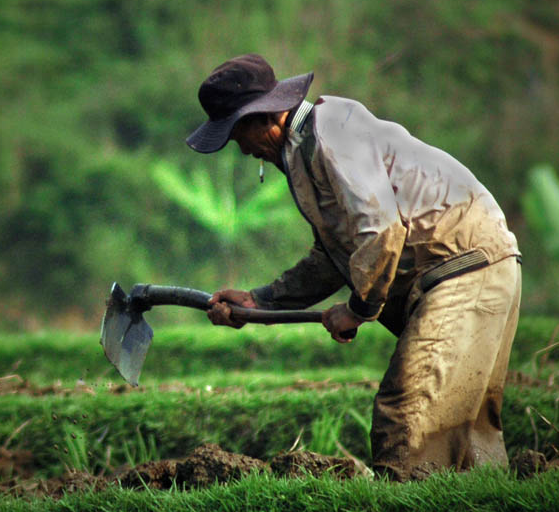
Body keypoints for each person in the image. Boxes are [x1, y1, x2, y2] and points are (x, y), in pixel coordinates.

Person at [185, 53, 522, 481]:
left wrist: (360, 308)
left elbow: (379, 229)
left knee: (407, 416)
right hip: (474, 271)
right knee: (464, 439)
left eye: (238, 136)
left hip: (463, 270)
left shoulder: (334, 134)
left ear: (264, 118)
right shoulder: (307, 151)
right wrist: (261, 299)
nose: (244, 150)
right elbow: (333, 257)